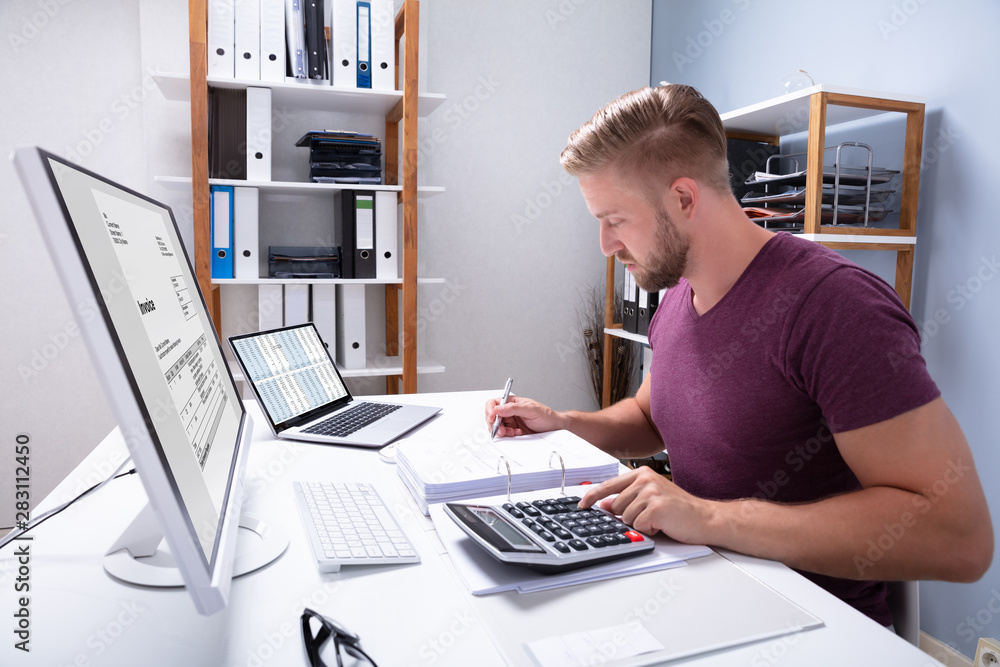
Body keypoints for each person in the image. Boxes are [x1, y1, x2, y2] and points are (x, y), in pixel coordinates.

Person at [485, 84, 992, 627]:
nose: (606, 246)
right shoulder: (679, 296)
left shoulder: (835, 306)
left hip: (813, 626)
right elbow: (651, 418)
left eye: (614, 220)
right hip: (705, 592)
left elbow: (959, 537)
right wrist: (562, 424)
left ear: (683, 198)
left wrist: (708, 517)